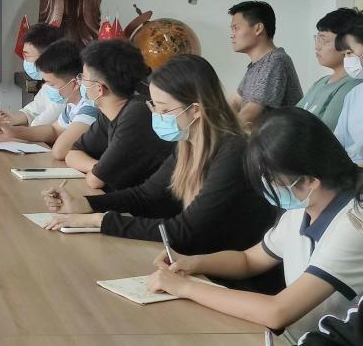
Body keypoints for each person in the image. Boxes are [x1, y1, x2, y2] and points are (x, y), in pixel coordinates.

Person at [146, 108, 363, 342]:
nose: (267, 188)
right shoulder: (303, 208)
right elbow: (249, 260)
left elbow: (277, 312)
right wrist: (192, 263)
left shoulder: (352, 226)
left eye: (272, 181)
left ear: (310, 180)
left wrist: (185, 288)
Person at [42, 55, 278, 257]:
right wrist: (84, 203)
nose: (156, 115)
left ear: (196, 110)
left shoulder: (234, 151)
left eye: (164, 109)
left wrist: (98, 220)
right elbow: (146, 195)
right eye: (154, 106)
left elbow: (184, 230)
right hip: (197, 258)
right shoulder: (188, 143)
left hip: (226, 272)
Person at [65, 39, 174, 191]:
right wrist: (99, 168)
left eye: (83, 78)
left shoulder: (138, 114)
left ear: (99, 88)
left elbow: (95, 181)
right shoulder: (108, 113)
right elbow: (72, 154)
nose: (80, 82)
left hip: (145, 204)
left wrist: (100, 172)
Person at [0, 40, 97, 160]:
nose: (47, 88)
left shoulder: (90, 108)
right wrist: (11, 131)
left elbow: (59, 151)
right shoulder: (72, 105)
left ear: (75, 83)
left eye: (51, 85)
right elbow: (54, 130)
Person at [228, 1, 303, 128]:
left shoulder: (276, 60)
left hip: (282, 139)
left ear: (258, 28)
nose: (232, 35)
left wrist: (221, 133)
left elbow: (251, 112)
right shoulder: (256, 65)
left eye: (236, 28)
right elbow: (235, 100)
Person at [0, 23, 68, 132]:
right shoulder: (48, 85)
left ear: (47, 57)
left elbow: (40, 126)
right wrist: (9, 120)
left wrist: (11, 130)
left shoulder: (69, 89)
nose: (25, 61)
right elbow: (33, 110)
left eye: (27, 56)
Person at [298, 8, 362, 130]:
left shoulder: (353, 85)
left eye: (324, 41)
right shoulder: (322, 81)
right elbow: (292, 115)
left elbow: (326, 132)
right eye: (317, 39)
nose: (317, 47)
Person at [334, 16, 363, 165]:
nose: (347, 59)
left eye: (349, 53)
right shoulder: (354, 95)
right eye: (344, 55)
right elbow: (338, 143)